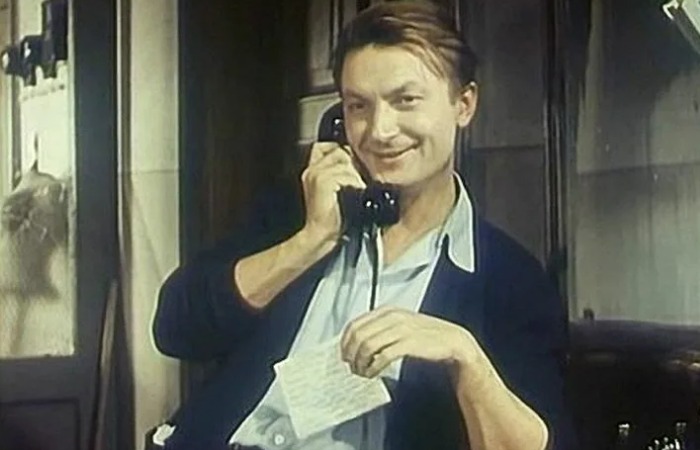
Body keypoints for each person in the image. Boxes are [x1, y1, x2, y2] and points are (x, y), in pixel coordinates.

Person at [152, 2, 577, 449]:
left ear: (464, 104)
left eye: (405, 100)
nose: (380, 131)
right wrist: (309, 242)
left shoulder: (510, 281)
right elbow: (175, 329)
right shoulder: (294, 212)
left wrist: (465, 356)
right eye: (358, 106)